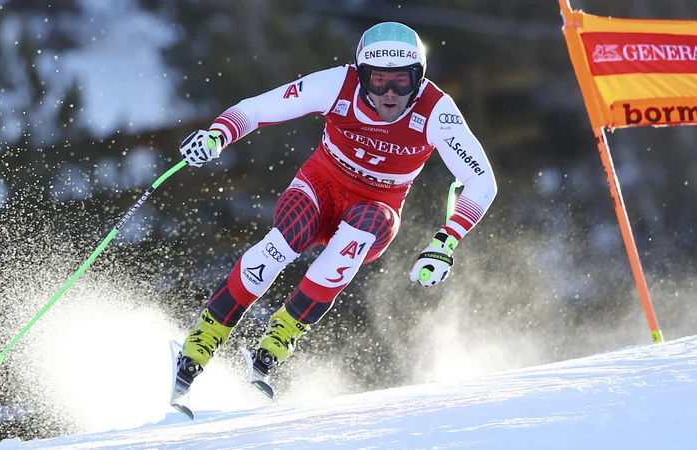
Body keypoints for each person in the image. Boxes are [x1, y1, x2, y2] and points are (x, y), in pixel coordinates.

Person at [176, 22, 497, 395]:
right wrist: (218, 135)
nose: (390, 94)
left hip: (377, 205)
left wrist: (445, 242)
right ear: (361, 76)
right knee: (287, 239)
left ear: (419, 78)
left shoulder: (437, 111)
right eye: (378, 82)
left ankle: (280, 337)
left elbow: (481, 180)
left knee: (364, 226)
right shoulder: (336, 85)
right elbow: (258, 109)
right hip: (320, 188)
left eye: (402, 82)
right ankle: (204, 338)